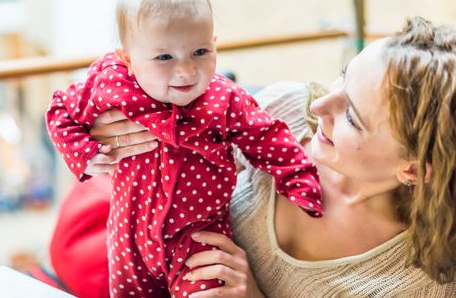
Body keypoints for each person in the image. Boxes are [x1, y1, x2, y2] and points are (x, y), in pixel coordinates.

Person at [43, 16, 455, 297]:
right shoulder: (287, 109)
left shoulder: (420, 283)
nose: (319, 107)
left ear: (415, 169)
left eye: (350, 115)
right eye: (343, 75)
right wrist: (107, 126)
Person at [45, 0, 323, 297]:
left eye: (200, 52)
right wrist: (83, 152)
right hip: (128, 237)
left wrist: (299, 179)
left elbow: (268, 137)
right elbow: (61, 109)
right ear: (129, 60)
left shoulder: (225, 99)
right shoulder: (112, 84)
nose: (186, 70)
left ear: (214, 44)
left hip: (196, 238)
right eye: (165, 57)